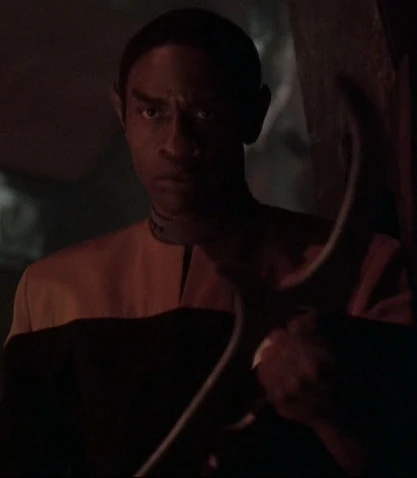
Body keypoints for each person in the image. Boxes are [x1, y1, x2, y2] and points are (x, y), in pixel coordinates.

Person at [0, 8, 415, 477]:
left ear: (253, 114)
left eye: (205, 113)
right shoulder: (52, 293)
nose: (177, 145)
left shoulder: (360, 270)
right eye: (152, 112)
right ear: (121, 112)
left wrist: (331, 412)